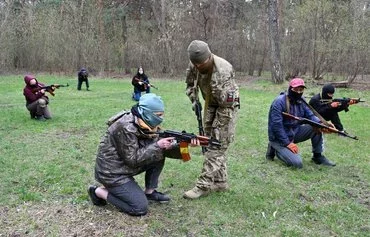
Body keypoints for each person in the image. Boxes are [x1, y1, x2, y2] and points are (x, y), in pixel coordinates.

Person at [88, 93, 197, 216]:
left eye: (162, 114)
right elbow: (132, 160)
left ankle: (150, 191)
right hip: (111, 173)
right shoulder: (126, 127)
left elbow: (159, 149)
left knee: (158, 153)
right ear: (147, 112)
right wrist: (158, 145)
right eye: (158, 115)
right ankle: (98, 191)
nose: (161, 118)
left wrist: (184, 145)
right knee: (139, 208)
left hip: (124, 165)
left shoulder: (145, 122)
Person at [183, 40, 240, 199]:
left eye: (202, 64)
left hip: (226, 107)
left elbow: (225, 104)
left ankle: (203, 185)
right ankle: (220, 182)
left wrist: (220, 131)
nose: (199, 67)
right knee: (208, 141)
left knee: (217, 144)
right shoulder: (194, 65)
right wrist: (194, 99)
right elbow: (189, 84)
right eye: (196, 64)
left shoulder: (223, 70)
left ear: (209, 57)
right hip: (209, 103)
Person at [266, 78, 336, 168]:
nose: (299, 92)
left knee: (316, 127)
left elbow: (310, 115)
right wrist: (287, 143)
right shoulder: (279, 102)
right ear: (290, 89)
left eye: (301, 90)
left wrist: (322, 124)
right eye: (296, 89)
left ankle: (317, 156)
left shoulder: (301, 101)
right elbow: (276, 126)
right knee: (297, 164)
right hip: (279, 138)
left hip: (294, 132)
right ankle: (275, 149)